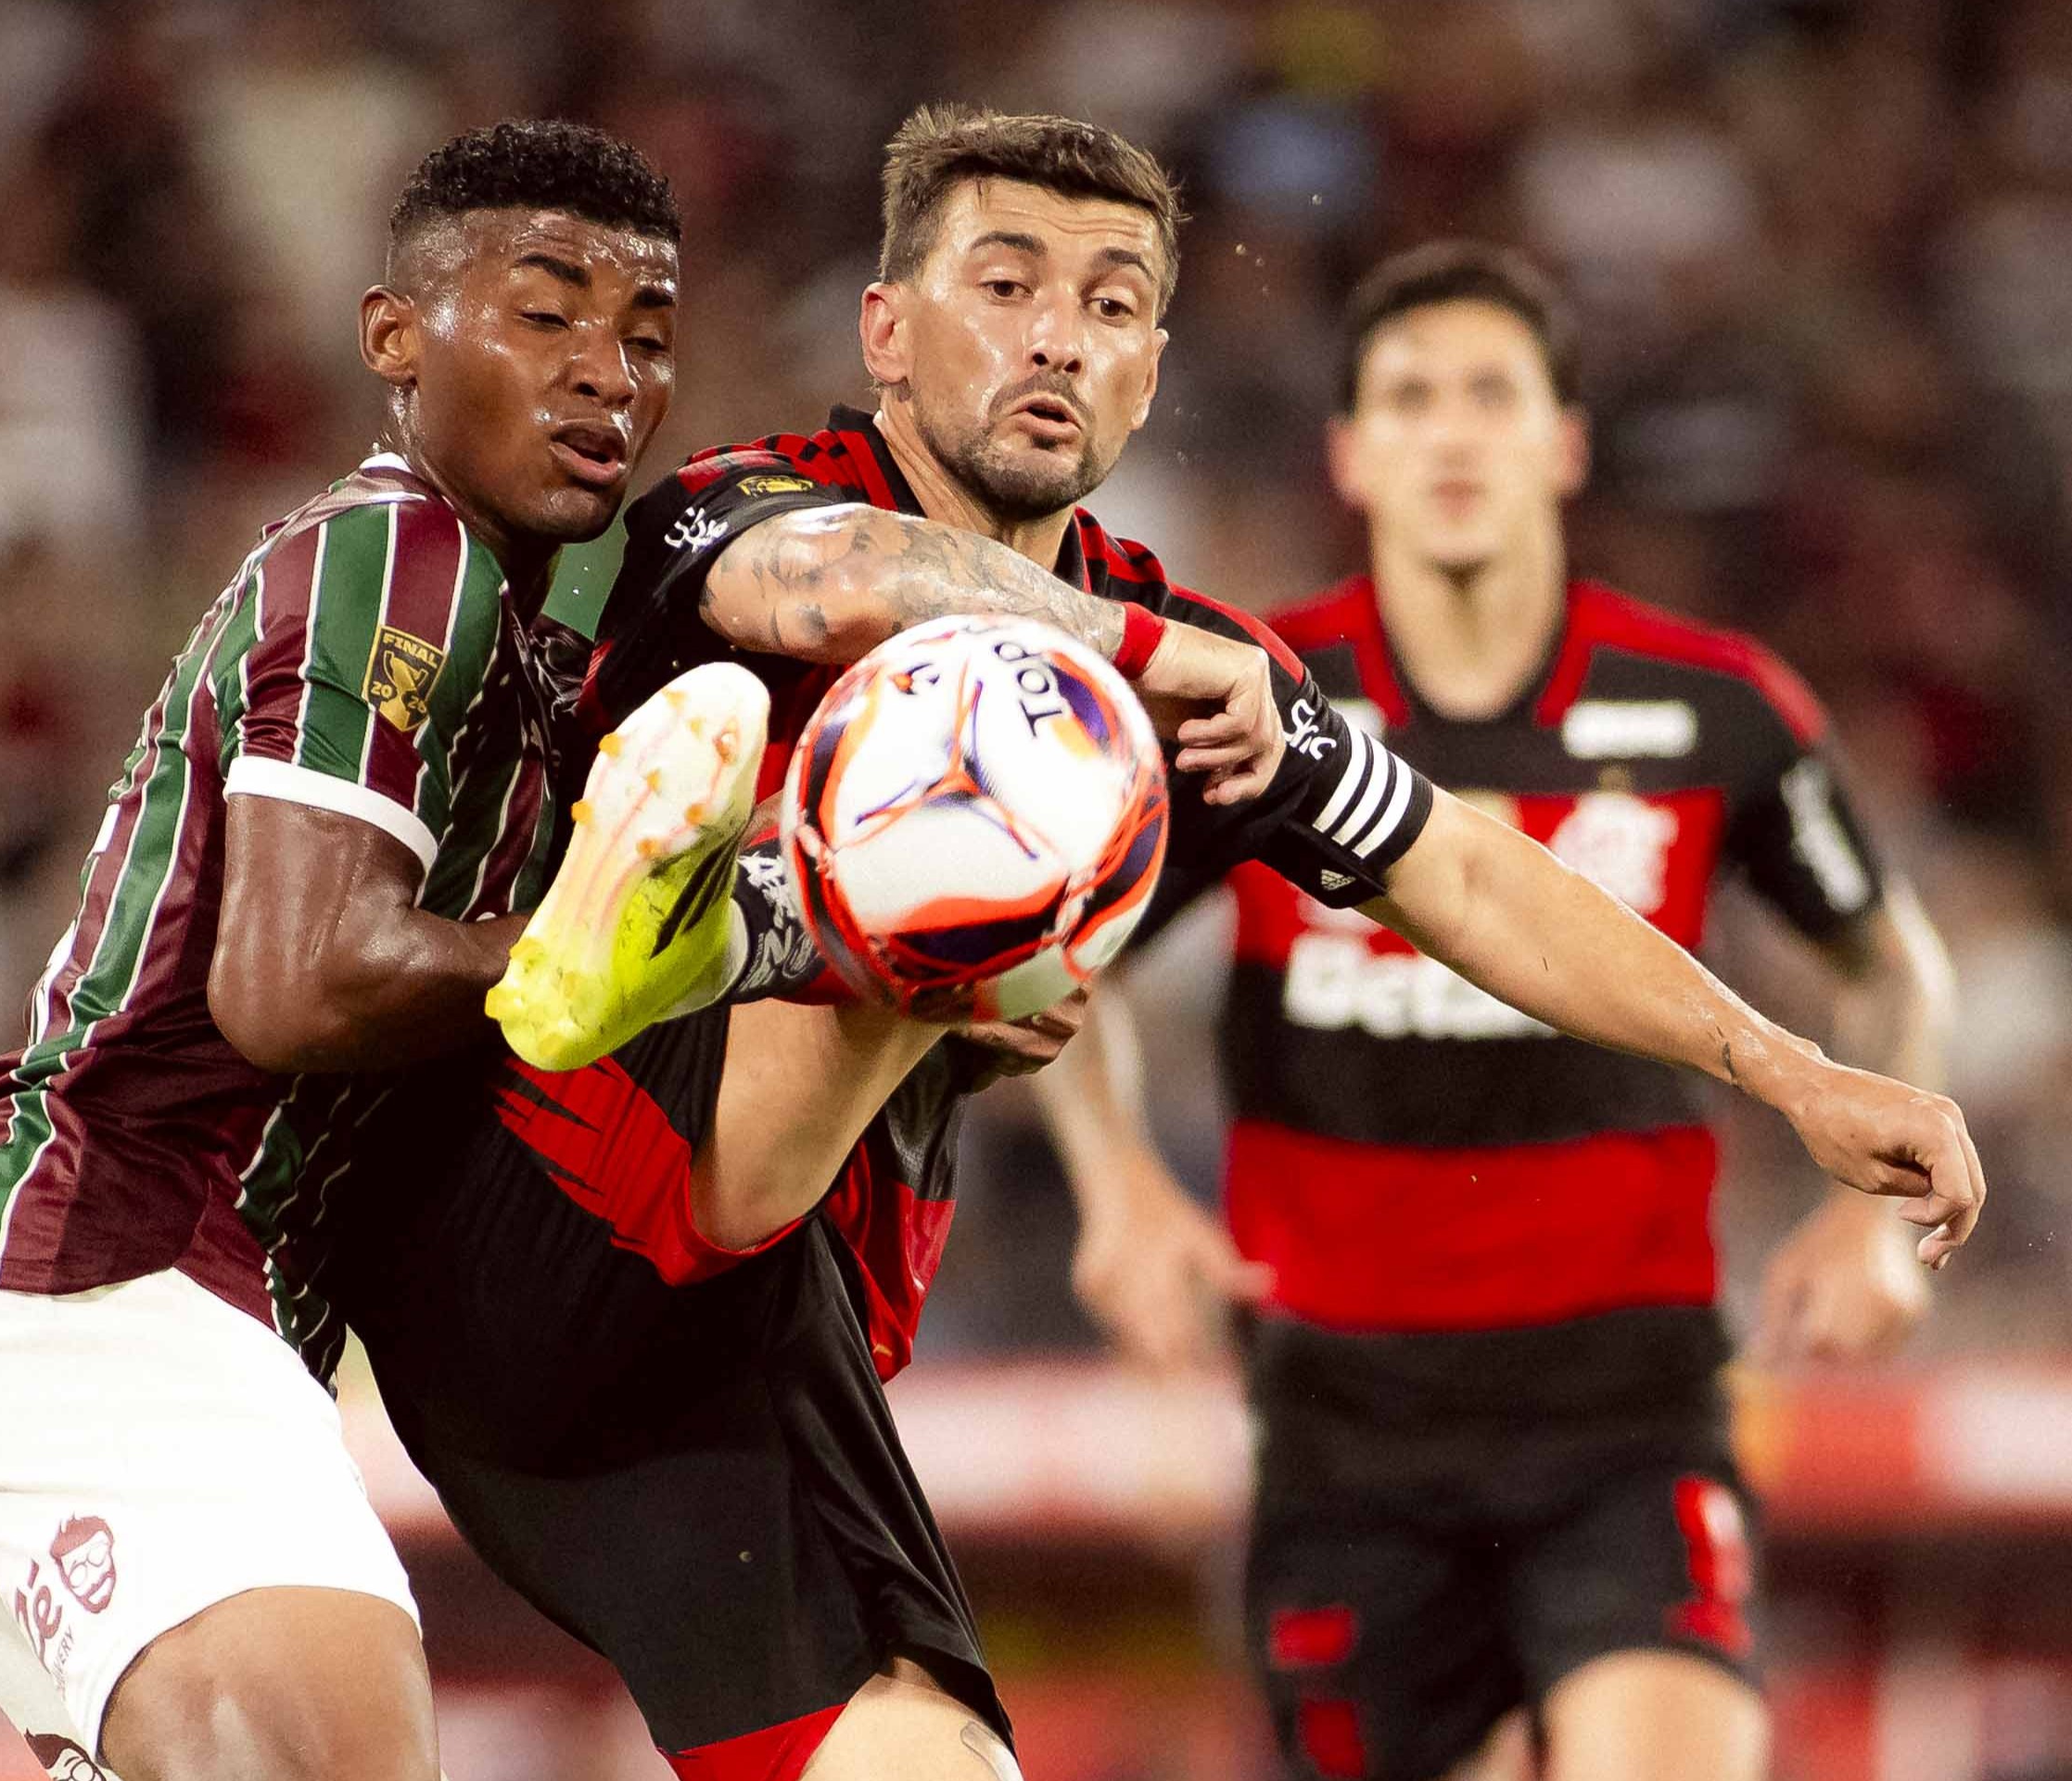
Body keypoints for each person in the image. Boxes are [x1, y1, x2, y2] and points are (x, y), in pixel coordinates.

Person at [330, 108, 1982, 1781]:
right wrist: (1119, 658)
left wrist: (1788, 1072)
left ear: (1151, 370)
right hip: (519, 1207)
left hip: (741, 1360)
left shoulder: (1212, 686)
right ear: (885, 333)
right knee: (978, 729)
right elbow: (829, 591)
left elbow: (1465, 880)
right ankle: (763, 931)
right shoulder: (738, 509)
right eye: (1006, 282)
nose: (1059, 332)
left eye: (1113, 304)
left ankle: (886, 948)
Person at [0, 121, 769, 1781]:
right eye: (544, 314)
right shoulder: (392, 549)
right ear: (392, 338)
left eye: (645, 339)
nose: (606, 378)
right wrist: (653, 941)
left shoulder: (522, 637)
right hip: (106, 1295)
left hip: (70, 1328)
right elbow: (295, 981)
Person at [1038, 240, 1959, 1781]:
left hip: (1631, 1406)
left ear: (1563, 440)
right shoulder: (1250, 701)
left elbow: (1893, 962)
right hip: (1341, 1424)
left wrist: (1864, 1217)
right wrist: (1118, 1186)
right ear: (1348, 450)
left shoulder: (1712, 707)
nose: (1449, 432)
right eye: (1406, 397)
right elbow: (1070, 957)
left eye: (1489, 394)